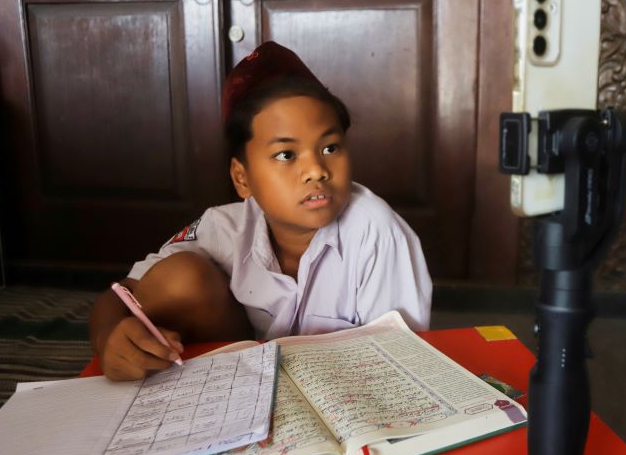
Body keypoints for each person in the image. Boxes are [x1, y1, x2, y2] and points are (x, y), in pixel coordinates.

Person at [89, 42, 432, 380]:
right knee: (179, 277)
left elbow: (401, 358)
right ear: (242, 178)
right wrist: (108, 341)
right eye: (286, 155)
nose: (316, 170)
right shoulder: (223, 228)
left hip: (346, 385)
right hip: (243, 380)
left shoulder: (376, 231)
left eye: (330, 148)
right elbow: (123, 293)